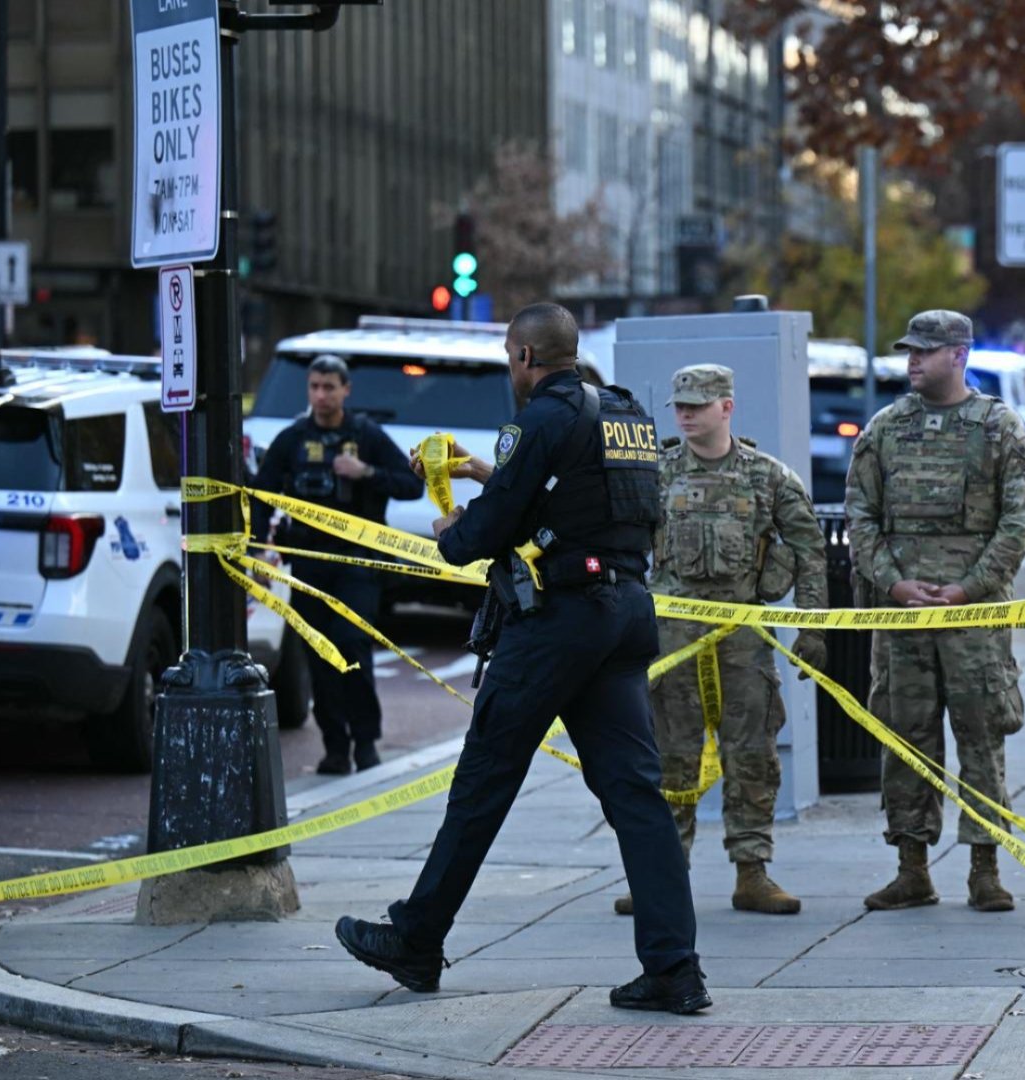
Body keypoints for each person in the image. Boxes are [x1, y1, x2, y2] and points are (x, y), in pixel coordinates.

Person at [335, 303, 707, 1014]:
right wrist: (484, 469)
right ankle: (674, 969)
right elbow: (578, 496)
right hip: (625, 612)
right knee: (636, 795)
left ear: (527, 357)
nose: (513, 371)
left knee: (483, 781)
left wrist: (450, 525)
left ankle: (416, 939)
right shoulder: (624, 412)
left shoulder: (541, 417)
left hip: (558, 622)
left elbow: (479, 535)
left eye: (512, 359)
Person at [611, 364, 828, 916]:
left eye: (698, 405)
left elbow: (809, 548)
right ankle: (662, 875)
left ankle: (751, 872)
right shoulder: (656, 473)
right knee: (668, 758)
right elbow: (616, 541)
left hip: (742, 638)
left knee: (752, 754)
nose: (685, 413)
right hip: (671, 641)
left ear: (726, 408)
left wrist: (813, 626)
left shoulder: (767, 476)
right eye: (680, 405)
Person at [846, 310, 1025, 913]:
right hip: (902, 618)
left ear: (958, 355)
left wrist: (970, 587)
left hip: (974, 619)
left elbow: (1019, 522)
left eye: (925, 352)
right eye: (909, 351)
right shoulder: (883, 431)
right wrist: (894, 583)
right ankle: (912, 866)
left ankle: (985, 867)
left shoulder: (1001, 430)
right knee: (906, 737)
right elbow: (860, 518)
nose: (912, 362)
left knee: (981, 738)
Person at [253, 354, 423, 774]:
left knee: (350, 644)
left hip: (358, 562)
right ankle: (335, 745)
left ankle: (365, 742)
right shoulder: (292, 439)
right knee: (318, 654)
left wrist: (365, 472)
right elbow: (260, 494)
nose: (320, 395)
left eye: (329, 387)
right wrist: (258, 547)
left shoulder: (366, 435)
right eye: (314, 387)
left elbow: (411, 484)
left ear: (346, 390)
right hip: (310, 563)